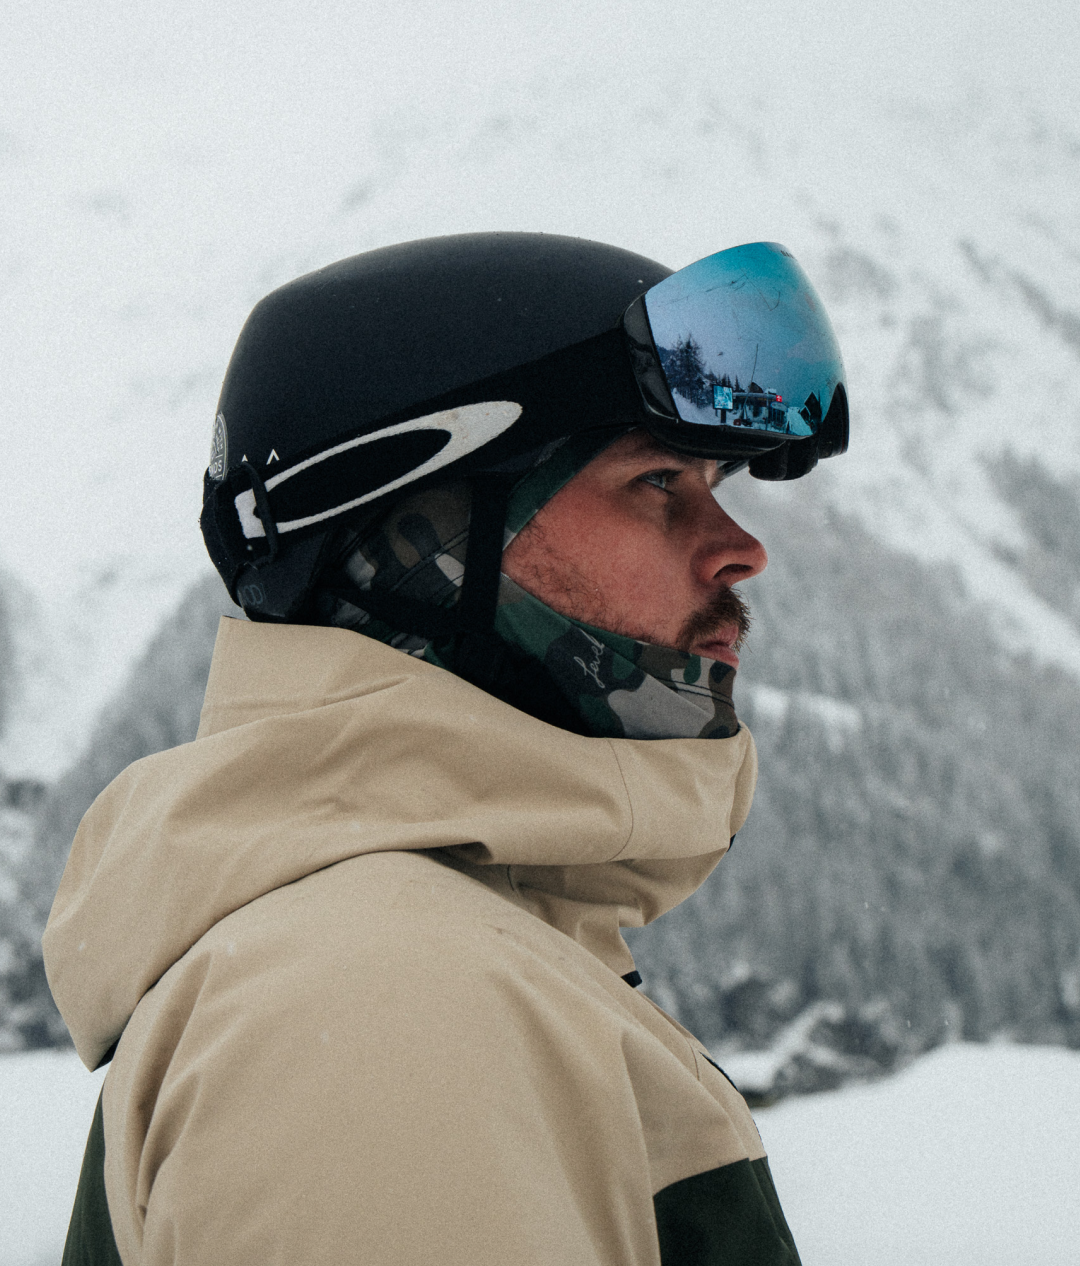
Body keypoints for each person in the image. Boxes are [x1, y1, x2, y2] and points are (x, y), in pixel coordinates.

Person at [45, 232, 848, 1265]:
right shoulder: (380, 1002)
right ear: (428, 541)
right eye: (658, 483)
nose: (745, 545)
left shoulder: (426, 952)